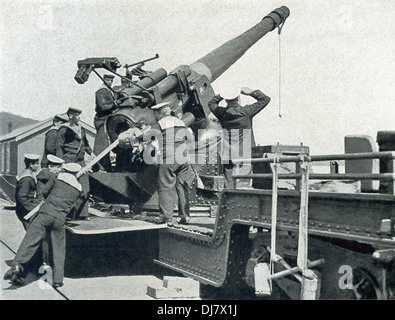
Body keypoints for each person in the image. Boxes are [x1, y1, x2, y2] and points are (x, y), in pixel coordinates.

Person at [4, 163, 83, 287]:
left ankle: (18, 265)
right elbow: (73, 206)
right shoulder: (78, 188)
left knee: (30, 241)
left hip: (45, 214)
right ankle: (57, 280)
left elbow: (45, 191)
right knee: (58, 248)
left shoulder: (57, 178)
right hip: (60, 219)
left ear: (64, 170)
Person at [208, 87, 271, 188]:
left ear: (226, 100)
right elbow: (265, 99)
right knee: (243, 185)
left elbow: (211, 103)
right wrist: (251, 92)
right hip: (244, 154)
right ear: (238, 99)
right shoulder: (246, 112)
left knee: (229, 184)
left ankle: (228, 201)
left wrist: (222, 94)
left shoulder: (221, 113)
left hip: (228, 154)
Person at [147, 102, 194, 224]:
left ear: (160, 113)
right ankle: (185, 216)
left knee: (166, 186)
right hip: (184, 158)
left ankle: (166, 216)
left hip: (169, 158)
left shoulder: (160, 124)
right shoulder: (180, 122)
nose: (155, 116)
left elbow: (147, 136)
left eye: (155, 113)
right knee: (182, 187)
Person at [55, 107, 92, 220]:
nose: (80, 118)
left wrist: (91, 153)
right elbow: (59, 147)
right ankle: (68, 213)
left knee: (85, 188)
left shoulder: (81, 129)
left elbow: (85, 145)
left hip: (80, 162)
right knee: (69, 188)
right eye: (77, 115)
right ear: (71, 116)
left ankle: (82, 214)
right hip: (68, 161)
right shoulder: (63, 130)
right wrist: (61, 163)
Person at [35, 154, 65, 266]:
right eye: (57, 167)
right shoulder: (45, 174)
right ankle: (43, 263)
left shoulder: (48, 174)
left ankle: (43, 262)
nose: (59, 170)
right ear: (50, 166)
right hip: (41, 207)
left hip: (45, 207)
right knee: (43, 238)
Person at [94, 74, 119, 171]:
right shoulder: (101, 91)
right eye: (108, 80)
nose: (110, 82)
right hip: (102, 121)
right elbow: (102, 106)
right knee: (102, 145)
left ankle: (105, 166)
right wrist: (114, 104)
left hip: (108, 120)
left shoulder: (109, 91)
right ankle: (100, 167)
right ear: (104, 80)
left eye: (111, 81)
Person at [15, 154, 41, 230]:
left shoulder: (24, 174)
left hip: (23, 209)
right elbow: (21, 197)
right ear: (31, 165)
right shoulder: (26, 179)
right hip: (25, 211)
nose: (38, 166)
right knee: (32, 233)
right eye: (36, 164)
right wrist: (31, 208)